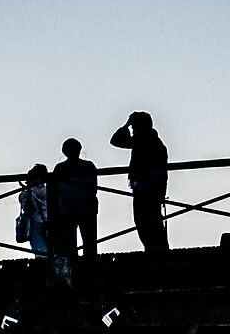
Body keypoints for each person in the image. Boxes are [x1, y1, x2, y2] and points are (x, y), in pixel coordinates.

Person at [110, 111, 170, 253]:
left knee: (145, 221)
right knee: (152, 221)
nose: (132, 131)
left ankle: (154, 250)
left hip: (145, 189)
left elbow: (115, 141)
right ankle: (157, 249)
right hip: (153, 189)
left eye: (133, 127)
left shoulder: (143, 140)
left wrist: (126, 125)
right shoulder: (153, 141)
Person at [50, 138, 99, 261]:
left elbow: (53, 191)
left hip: (67, 210)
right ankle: (91, 264)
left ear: (64, 151)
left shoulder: (60, 168)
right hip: (88, 208)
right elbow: (94, 187)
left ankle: (73, 265)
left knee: (69, 243)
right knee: (90, 241)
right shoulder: (88, 166)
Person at [17, 165, 52, 261]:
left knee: (41, 255)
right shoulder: (50, 190)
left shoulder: (25, 194)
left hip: (35, 225)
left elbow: (28, 210)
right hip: (51, 224)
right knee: (54, 254)